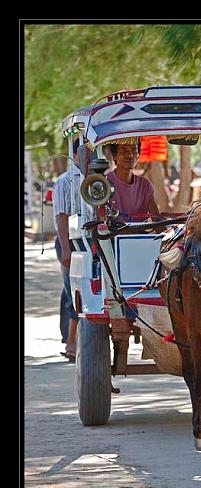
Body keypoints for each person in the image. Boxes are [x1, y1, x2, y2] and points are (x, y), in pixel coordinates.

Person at [52, 138, 83, 362]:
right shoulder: (65, 182)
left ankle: (70, 337)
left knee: (70, 291)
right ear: (74, 155)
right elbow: (61, 217)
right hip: (69, 241)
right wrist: (65, 249)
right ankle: (71, 343)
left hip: (88, 240)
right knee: (75, 291)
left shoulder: (95, 180)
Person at [106, 138, 161, 221]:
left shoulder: (145, 186)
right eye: (124, 150)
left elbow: (157, 221)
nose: (130, 155)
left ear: (138, 155)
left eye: (134, 150)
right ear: (114, 156)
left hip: (140, 234)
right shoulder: (103, 184)